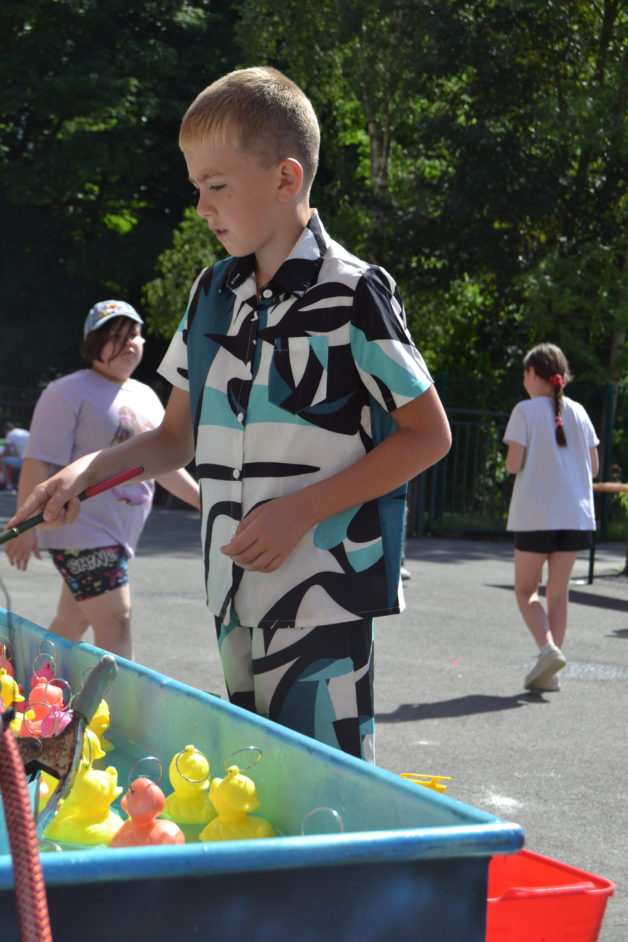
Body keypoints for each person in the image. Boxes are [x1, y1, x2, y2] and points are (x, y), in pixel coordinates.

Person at [8, 68, 451, 761]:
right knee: (257, 781)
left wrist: (299, 511)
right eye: (196, 188)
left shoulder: (356, 291)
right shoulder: (210, 291)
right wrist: (85, 473)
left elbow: (429, 435)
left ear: (285, 178)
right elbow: (174, 438)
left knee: (322, 789)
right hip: (232, 588)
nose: (200, 207)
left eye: (216, 186)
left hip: (322, 594)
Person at [4, 300, 200, 659]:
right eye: (114, 336)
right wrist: (24, 527)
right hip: (80, 531)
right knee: (116, 621)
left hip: (118, 534)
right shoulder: (66, 391)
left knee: (70, 624)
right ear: (92, 343)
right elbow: (39, 459)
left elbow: (163, 464)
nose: (127, 343)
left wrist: (206, 501)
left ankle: (30, 683)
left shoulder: (146, 395)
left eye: (133, 335)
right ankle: (118, 698)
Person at [504, 342, 599, 692]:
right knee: (558, 594)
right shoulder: (580, 412)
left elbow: (513, 464)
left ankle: (548, 651)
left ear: (532, 373)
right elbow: (594, 468)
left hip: (536, 514)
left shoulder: (525, 410)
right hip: (575, 515)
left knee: (525, 591)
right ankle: (551, 672)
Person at [1, 422, 30, 490]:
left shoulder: (10, 434)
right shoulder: (23, 432)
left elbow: (5, 452)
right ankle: (17, 483)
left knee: (1, 460)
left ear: (6, 430)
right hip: (31, 460)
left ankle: (9, 485)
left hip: (24, 461)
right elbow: (16, 453)